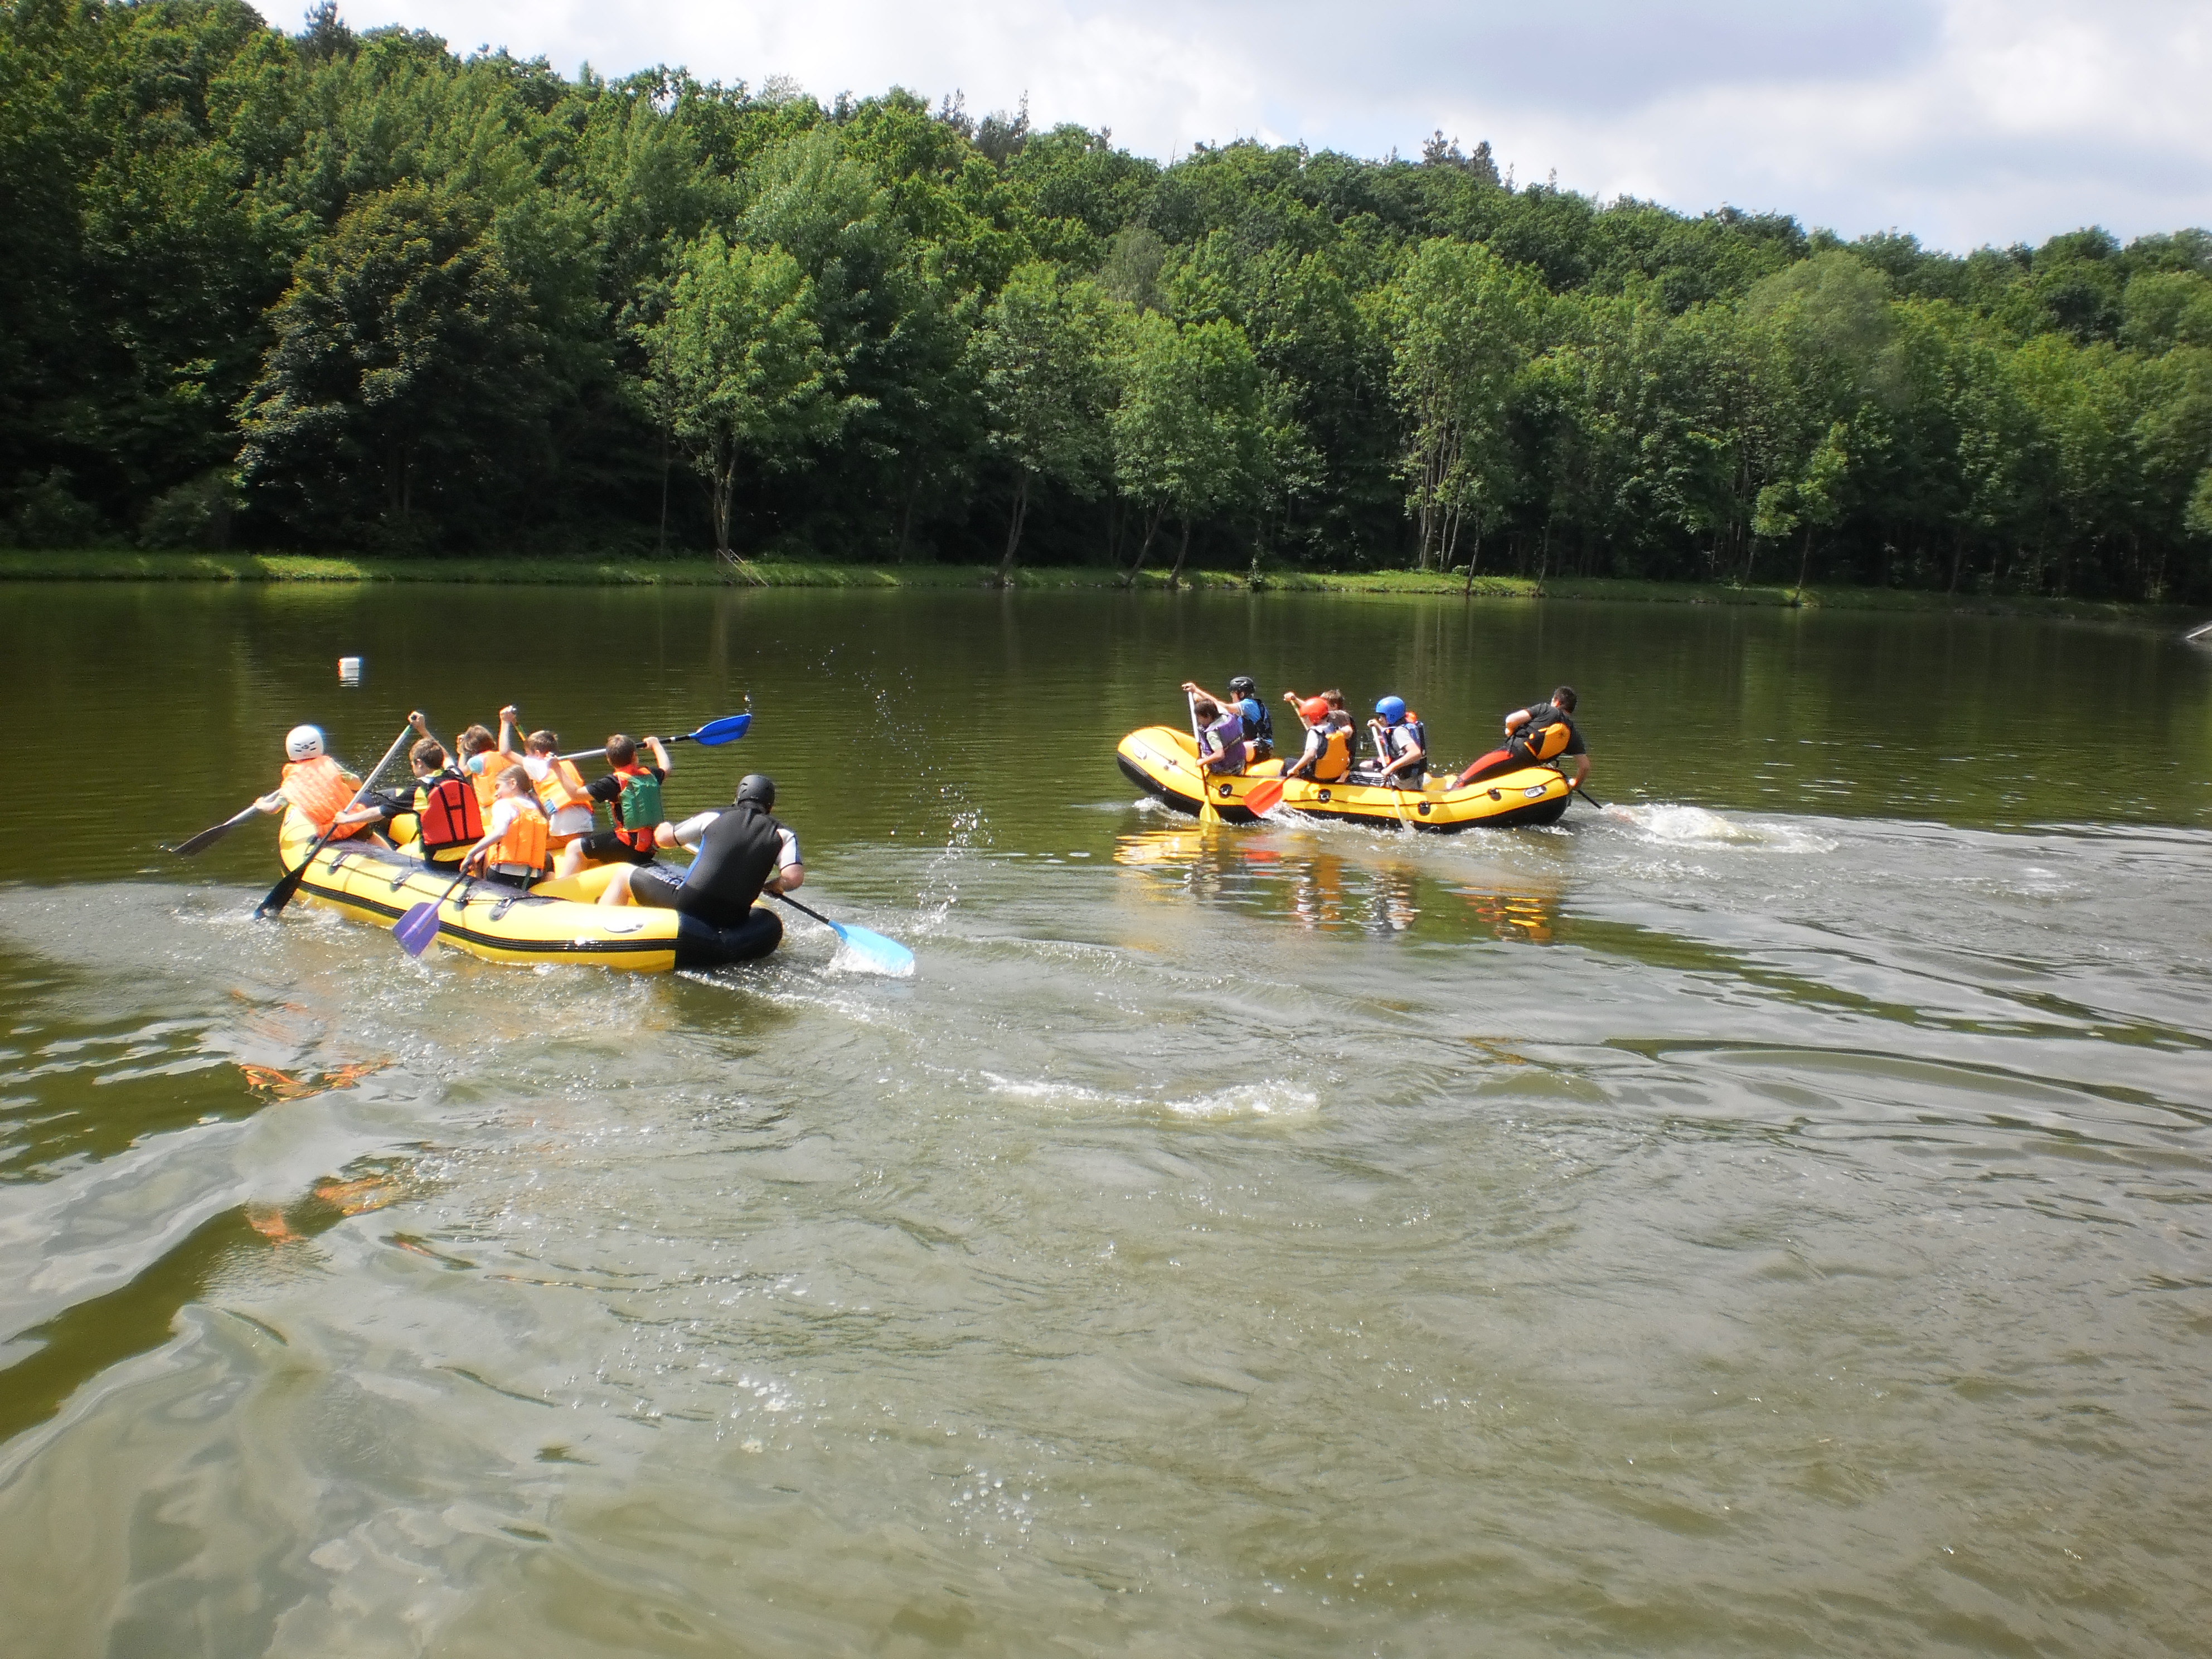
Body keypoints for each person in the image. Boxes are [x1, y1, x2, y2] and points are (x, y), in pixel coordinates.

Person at [600, 773, 803, 925]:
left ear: (739, 797)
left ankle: (599, 929)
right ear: (770, 806)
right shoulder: (784, 834)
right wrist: (775, 885)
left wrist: (663, 826)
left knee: (622, 874)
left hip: (690, 904)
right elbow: (793, 879)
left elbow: (664, 840)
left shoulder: (714, 816)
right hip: (735, 917)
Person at [557, 733, 672, 878]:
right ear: (634, 756)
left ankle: (560, 888)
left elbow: (575, 794)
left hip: (627, 846)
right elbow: (666, 767)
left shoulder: (613, 783)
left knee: (574, 848)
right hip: (649, 846)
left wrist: (556, 767)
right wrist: (656, 745)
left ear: (609, 760)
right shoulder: (651, 775)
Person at [255, 724, 373, 841]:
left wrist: (260, 804)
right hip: (357, 820)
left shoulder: (290, 784)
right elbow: (357, 784)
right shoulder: (330, 764)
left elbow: (273, 809)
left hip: (332, 833)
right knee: (369, 835)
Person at [1456, 686, 1588, 788]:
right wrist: (1575, 784)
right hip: (1530, 769)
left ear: (1557, 702)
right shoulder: (1573, 733)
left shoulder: (1546, 709)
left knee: (1463, 780)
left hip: (1512, 754)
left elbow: (1511, 720)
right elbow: (1585, 766)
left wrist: (1510, 730)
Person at [459, 764, 551, 890]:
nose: (496, 793)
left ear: (513, 783)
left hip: (503, 874)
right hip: (532, 877)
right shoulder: (536, 808)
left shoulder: (504, 804)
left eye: (498, 787)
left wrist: (471, 854)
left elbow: (500, 832)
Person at [516, 727, 594, 858]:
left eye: (528, 754)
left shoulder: (540, 767)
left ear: (537, 754)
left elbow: (506, 753)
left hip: (565, 832)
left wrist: (506, 722)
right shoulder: (566, 763)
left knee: (526, 844)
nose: (527, 758)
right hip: (586, 828)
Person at [1280, 696, 1352, 783]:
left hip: (1317, 776)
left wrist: (1294, 769)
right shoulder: (1334, 728)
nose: (1304, 721)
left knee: (1288, 762)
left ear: (1313, 716)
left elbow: (1311, 754)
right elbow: (1347, 735)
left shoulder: (1314, 732)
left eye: (1306, 718)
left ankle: (1282, 786)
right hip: (1335, 776)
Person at [1180, 686, 1246, 774]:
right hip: (1240, 763)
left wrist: (1202, 762)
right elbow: (1215, 702)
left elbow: (1220, 755)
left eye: (1199, 718)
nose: (1199, 721)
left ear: (1208, 716)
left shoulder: (1212, 733)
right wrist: (1196, 690)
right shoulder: (1226, 714)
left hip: (1226, 769)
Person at [1367, 696, 1428, 789]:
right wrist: (1379, 729)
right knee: (1366, 765)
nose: (1380, 720)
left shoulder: (1400, 732)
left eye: (1383, 716)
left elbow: (1415, 753)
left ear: (1391, 716)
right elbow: (1395, 742)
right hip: (1413, 779)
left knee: (1353, 776)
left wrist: (1389, 769)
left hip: (1404, 782)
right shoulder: (1405, 726)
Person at [1226, 676, 1273, 763]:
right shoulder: (1239, 710)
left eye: (1233, 692)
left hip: (1262, 747)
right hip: (1251, 747)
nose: (1231, 695)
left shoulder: (1248, 705)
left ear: (1241, 694)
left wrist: (1200, 692)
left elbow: (1224, 708)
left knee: (1234, 749)